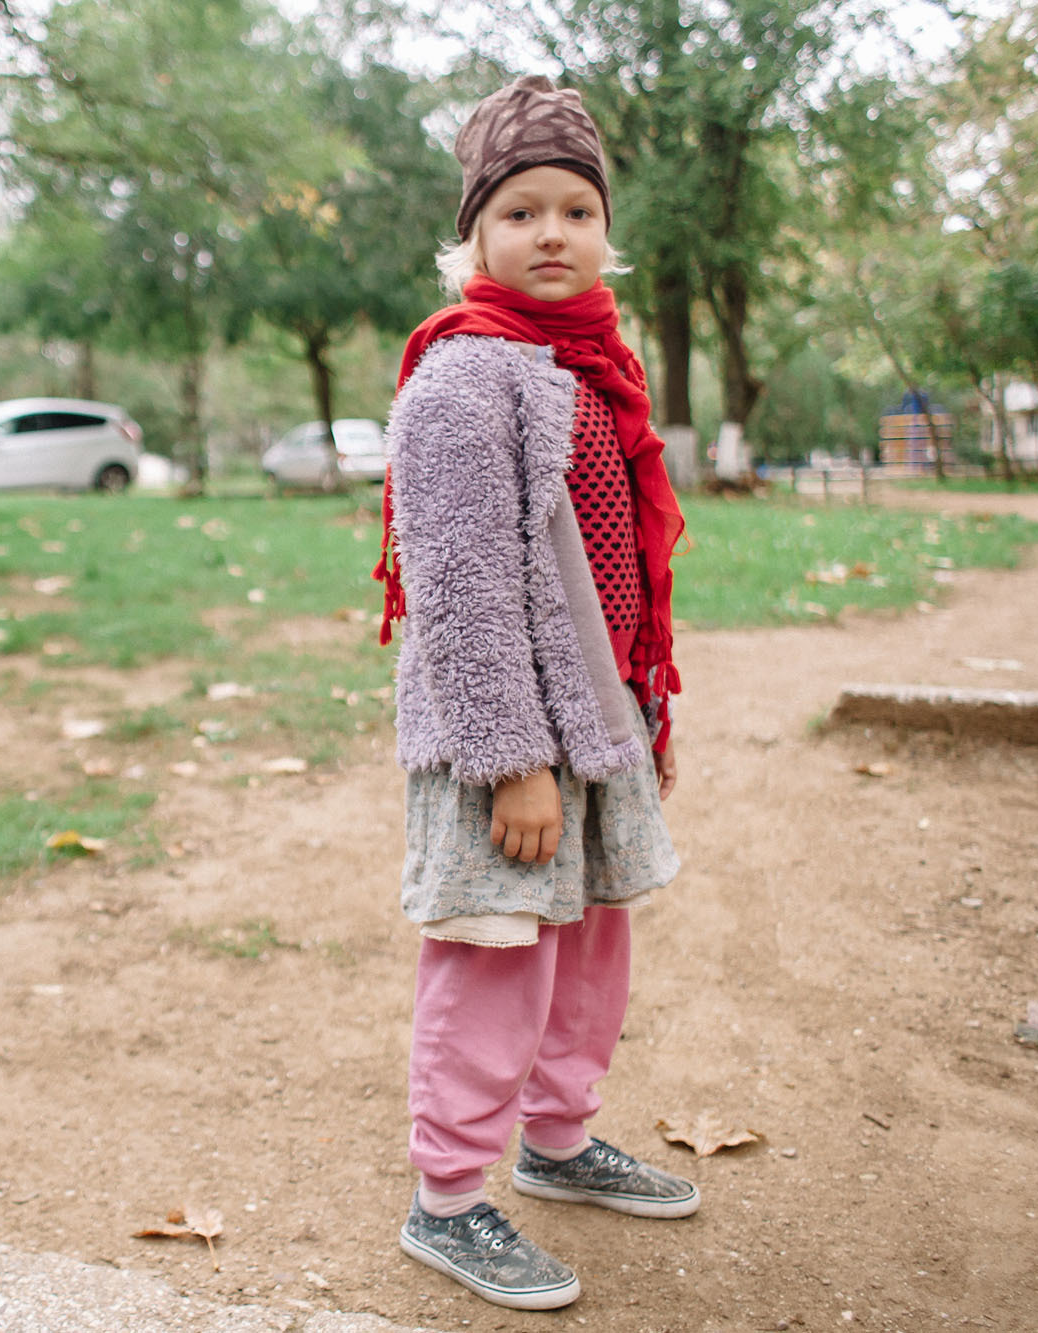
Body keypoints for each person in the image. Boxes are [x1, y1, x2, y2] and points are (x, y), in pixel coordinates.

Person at [374, 75, 695, 1312]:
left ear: (608, 231)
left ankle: (556, 1143)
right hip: (497, 733)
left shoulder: (599, 366)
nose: (550, 232)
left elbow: (622, 564)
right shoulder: (462, 380)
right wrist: (511, 760)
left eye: (574, 207)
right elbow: (457, 593)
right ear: (472, 241)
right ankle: (447, 1200)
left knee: (591, 946)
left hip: (598, 717)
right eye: (517, 212)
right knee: (495, 952)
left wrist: (643, 715)